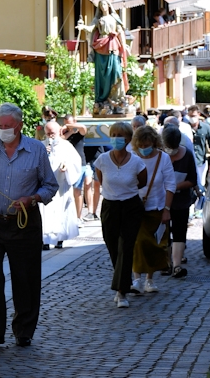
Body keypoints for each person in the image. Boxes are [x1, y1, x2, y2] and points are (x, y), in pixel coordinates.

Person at [0, 102, 57, 348]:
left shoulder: (36, 149)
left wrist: (33, 198)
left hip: (24, 223)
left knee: (25, 277)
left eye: (7, 126)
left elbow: (50, 185)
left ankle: (24, 330)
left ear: (19, 126)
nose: (3, 129)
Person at [93, 122, 147, 308]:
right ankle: (123, 282)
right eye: (113, 134)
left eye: (121, 135)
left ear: (128, 139)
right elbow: (101, 180)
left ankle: (121, 291)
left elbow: (141, 182)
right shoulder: (102, 160)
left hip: (131, 206)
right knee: (113, 247)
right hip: (110, 206)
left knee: (126, 247)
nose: (116, 138)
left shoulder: (136, 162)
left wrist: (125, 191)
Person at [131, 124, 175, 294]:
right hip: (135, 206)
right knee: (137, 243)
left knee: (153, 244)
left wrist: (167, 209)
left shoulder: (162, 158)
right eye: (141, 146)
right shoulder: (133, 157)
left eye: (147, 145)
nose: (144, 149)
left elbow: (170, 184)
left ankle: (149, 279)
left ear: (154, 143)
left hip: (156, 205)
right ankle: (136, 279)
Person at [161, 125, 196, 280]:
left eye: (172, 147)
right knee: (164, 233)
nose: (170, 150)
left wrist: (175, 187)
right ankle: (166, 263)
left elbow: (192, 179)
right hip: (162, 201)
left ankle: (176, 266)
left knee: (179, 232)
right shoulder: (160, 155)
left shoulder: (187, 155)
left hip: (181, 201)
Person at [41, 121, 81, 248]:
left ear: (59, 132)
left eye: (52, 133)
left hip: (61, 185)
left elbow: (75, 162)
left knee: (61, 212)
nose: (50, 136)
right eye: (47, 134)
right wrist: (43, 153)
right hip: (45, 186)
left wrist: (67, 167)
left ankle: (60, 239)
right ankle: (45, 240)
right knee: (45, 213)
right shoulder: (41, 146)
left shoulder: (66, 146)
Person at [89, 0, 128, 114]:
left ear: (109, 6)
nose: (103, 7)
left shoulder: (114, 18)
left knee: (116, 71)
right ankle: (103, 99)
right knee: (102, 74)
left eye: (104, 4)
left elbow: (120, 32)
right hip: (101, 46)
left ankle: (117, 98)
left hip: (113, 44)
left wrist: (124, 46)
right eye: (101, 5)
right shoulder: (98, 20)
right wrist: (83, 26)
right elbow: (91, 28)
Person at [187, 105, 210, 213]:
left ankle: (199, 209)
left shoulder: (205, 127)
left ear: (199, 115)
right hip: (188, 161)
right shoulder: (185, 127)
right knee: (190, 185)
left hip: (201, 161)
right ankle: (190, 210)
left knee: (200, 185)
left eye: (193, 115)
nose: (191, 118)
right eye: (190, 116)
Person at [60, 114, 87, 220]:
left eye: (70, 123)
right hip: (67, 164)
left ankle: (78, 217)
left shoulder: (80, 132)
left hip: (80, 164)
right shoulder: (65, 132)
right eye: (66, 123)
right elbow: (61, 139)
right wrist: (69, 130)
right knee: (68, 191)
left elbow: (83, 128)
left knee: (77, 190)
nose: (69, 125)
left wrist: (73, 126)